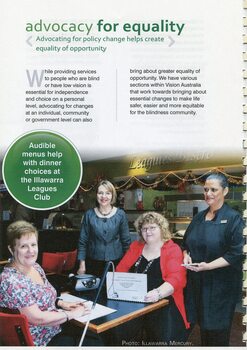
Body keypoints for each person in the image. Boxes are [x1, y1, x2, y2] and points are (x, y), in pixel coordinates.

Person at [0, 221, 90, 346]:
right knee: (92, 340)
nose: (31, 251)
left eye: (33, 244)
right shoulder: (11, 281)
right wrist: (72, 314)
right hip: (40, 341)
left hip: (55, 329)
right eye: (23, 246)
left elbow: (43, 295)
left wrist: (63, 303)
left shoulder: (35, 267)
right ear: (11, 249)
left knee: (92, 337)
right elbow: (38, 318)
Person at [182, 172, 244, 346]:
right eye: (206, 189)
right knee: (203, 328)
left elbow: (236, 253)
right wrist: (186, 255)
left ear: (225, 191)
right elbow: (186, 244)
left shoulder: (234, 219)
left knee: (217, 332)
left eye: (213, 190)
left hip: (221, 287)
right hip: (198, 284)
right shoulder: (199, 218)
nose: (208, 193)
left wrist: (208, 266)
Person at [112, 212, 190, 345]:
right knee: (115, 332)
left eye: (152, 227)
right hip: (136, 301)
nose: (148, 232)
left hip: (164, 301)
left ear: (162, 229)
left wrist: (157, 293)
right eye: (144, 228)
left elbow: (177, 279)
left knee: (161, 338)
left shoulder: (172, 249)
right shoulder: (135, 246)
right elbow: (120, 271)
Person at [77, 180, 131, 277]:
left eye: (107, 193)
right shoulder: (89, 215)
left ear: (112, 195)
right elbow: (82, 241)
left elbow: (126, 242)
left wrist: (127, 265)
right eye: (100, 193)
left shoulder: (120, 214)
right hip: (93, 263)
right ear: (96, 195)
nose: (104, 196)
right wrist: (82, 265)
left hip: (116, 263)